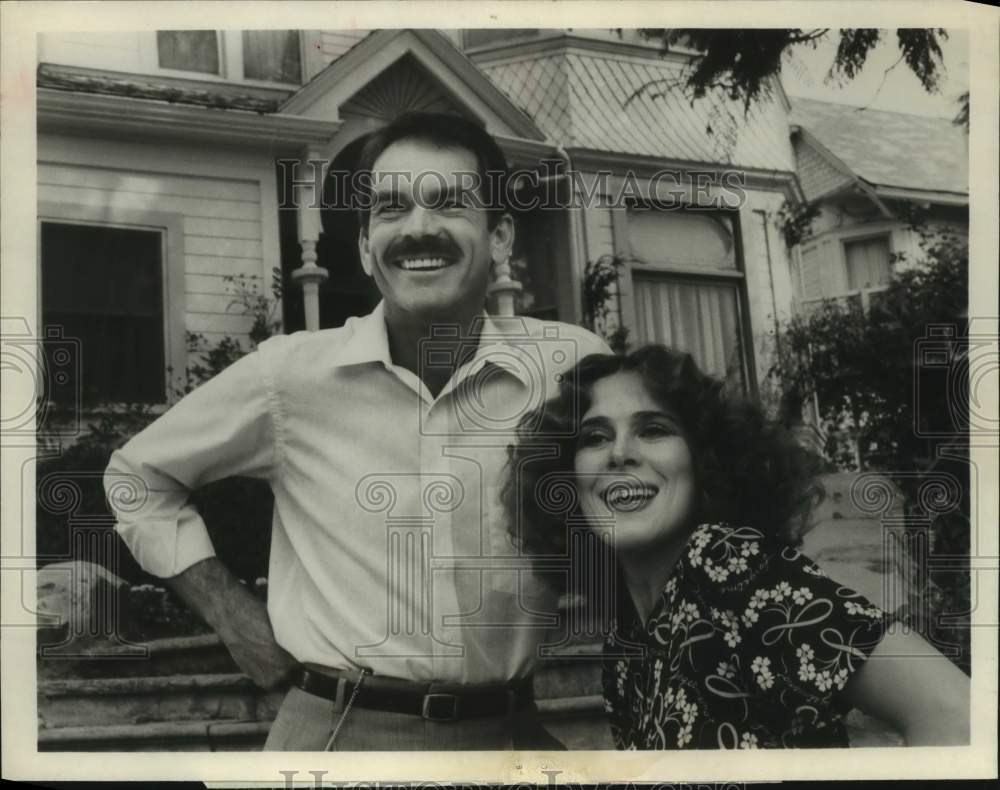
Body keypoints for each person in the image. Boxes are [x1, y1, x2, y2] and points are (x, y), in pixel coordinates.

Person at [104, 111, 609, 750]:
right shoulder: (289, 377)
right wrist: (231, 615)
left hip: (508, 736)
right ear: (366, 245)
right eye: (390, 209)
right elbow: (136, 476)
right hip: (340, 735)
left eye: (449, 203)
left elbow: (649, 488)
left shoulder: (570, 368)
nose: (418, 229)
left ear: (501, 235)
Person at [503, 345, 971, 749]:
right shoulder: (627, 636)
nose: (619, 452)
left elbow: (956, 712)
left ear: (706, 460)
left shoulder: (727, 566)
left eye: (654, 429)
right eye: (595, 437)